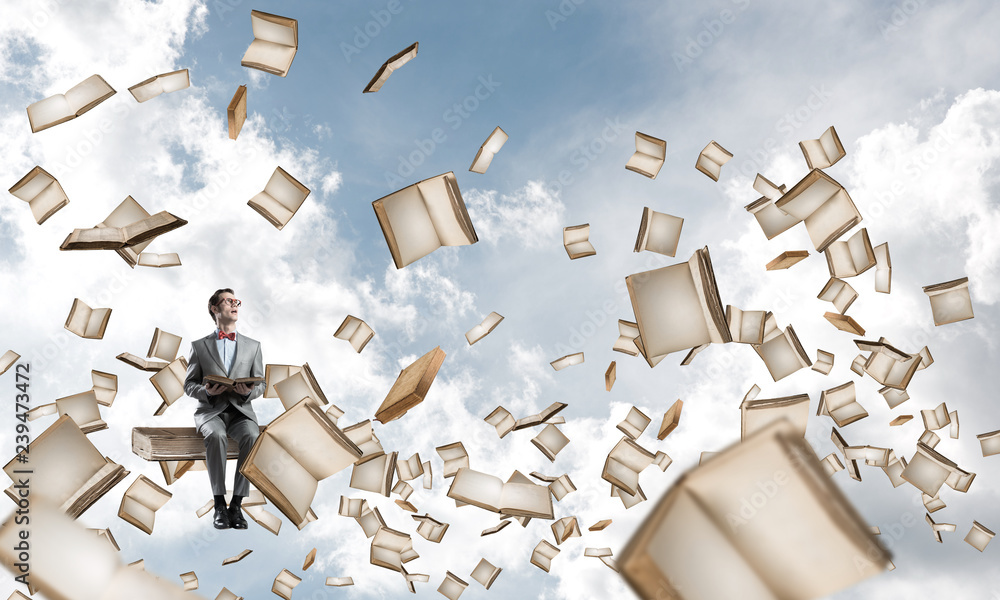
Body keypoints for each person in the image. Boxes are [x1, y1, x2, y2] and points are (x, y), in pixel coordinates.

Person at [183, 288, 265, 530]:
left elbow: (262, 384)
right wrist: (207, 392)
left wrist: (248, 392)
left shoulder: (254, 346)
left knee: (252, 435)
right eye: (229, 301)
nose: (235, 304)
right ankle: (219, 503)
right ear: (215, 309)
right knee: (216, 435)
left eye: (237, 301)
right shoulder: (199, 346)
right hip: (211, 412)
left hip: (242, 412)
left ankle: (237, 505)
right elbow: (188, 385)